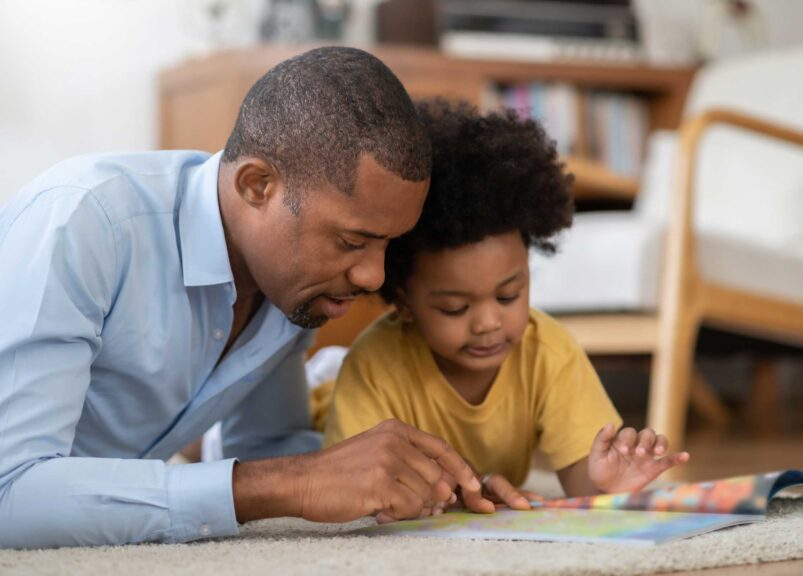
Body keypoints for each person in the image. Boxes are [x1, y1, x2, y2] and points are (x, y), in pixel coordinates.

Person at [0, 48, 491, 549]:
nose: (373, 275)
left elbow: (267, 448)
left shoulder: (293, 291)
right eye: (351, 241)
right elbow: (8, 492)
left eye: (389, 244)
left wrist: (417, 481)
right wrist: (297, 480)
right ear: (257, 185)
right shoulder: (84, 223)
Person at [322, 100, 690, 513]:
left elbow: (579, 479)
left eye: (508, 295)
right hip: (322, 409)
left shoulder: (548, 353)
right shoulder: (375, 367)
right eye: (456, 308)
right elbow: (355, 487)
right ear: (404, 302)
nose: (489, 323)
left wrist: (607, 483)